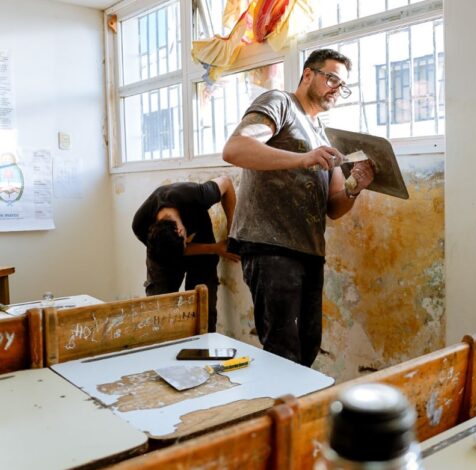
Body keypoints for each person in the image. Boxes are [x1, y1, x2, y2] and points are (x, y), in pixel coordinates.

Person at [222, 49, 374, 367]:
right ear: (308, 74)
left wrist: (355, 187)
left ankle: (295, 414)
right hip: (270, 245)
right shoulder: (280, 103)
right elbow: (235, 148)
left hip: (309, 252)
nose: (336, 88)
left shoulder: (321, 133)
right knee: (282, 350)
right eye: (331, 77)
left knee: (306, 349)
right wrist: (302, 158)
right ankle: (277, 415)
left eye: (343, 85)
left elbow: (333, 206)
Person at [131, 176, 240, 332]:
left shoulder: (197, 196)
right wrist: (215, 248)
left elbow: (227, 183)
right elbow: (174, 251)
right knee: (158, 311)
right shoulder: (140, 224)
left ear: (181, 231)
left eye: (184, 245)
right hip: (163, 258)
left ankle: (203, 349)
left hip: (202, 246)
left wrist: (232, 233)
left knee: (204, 312)